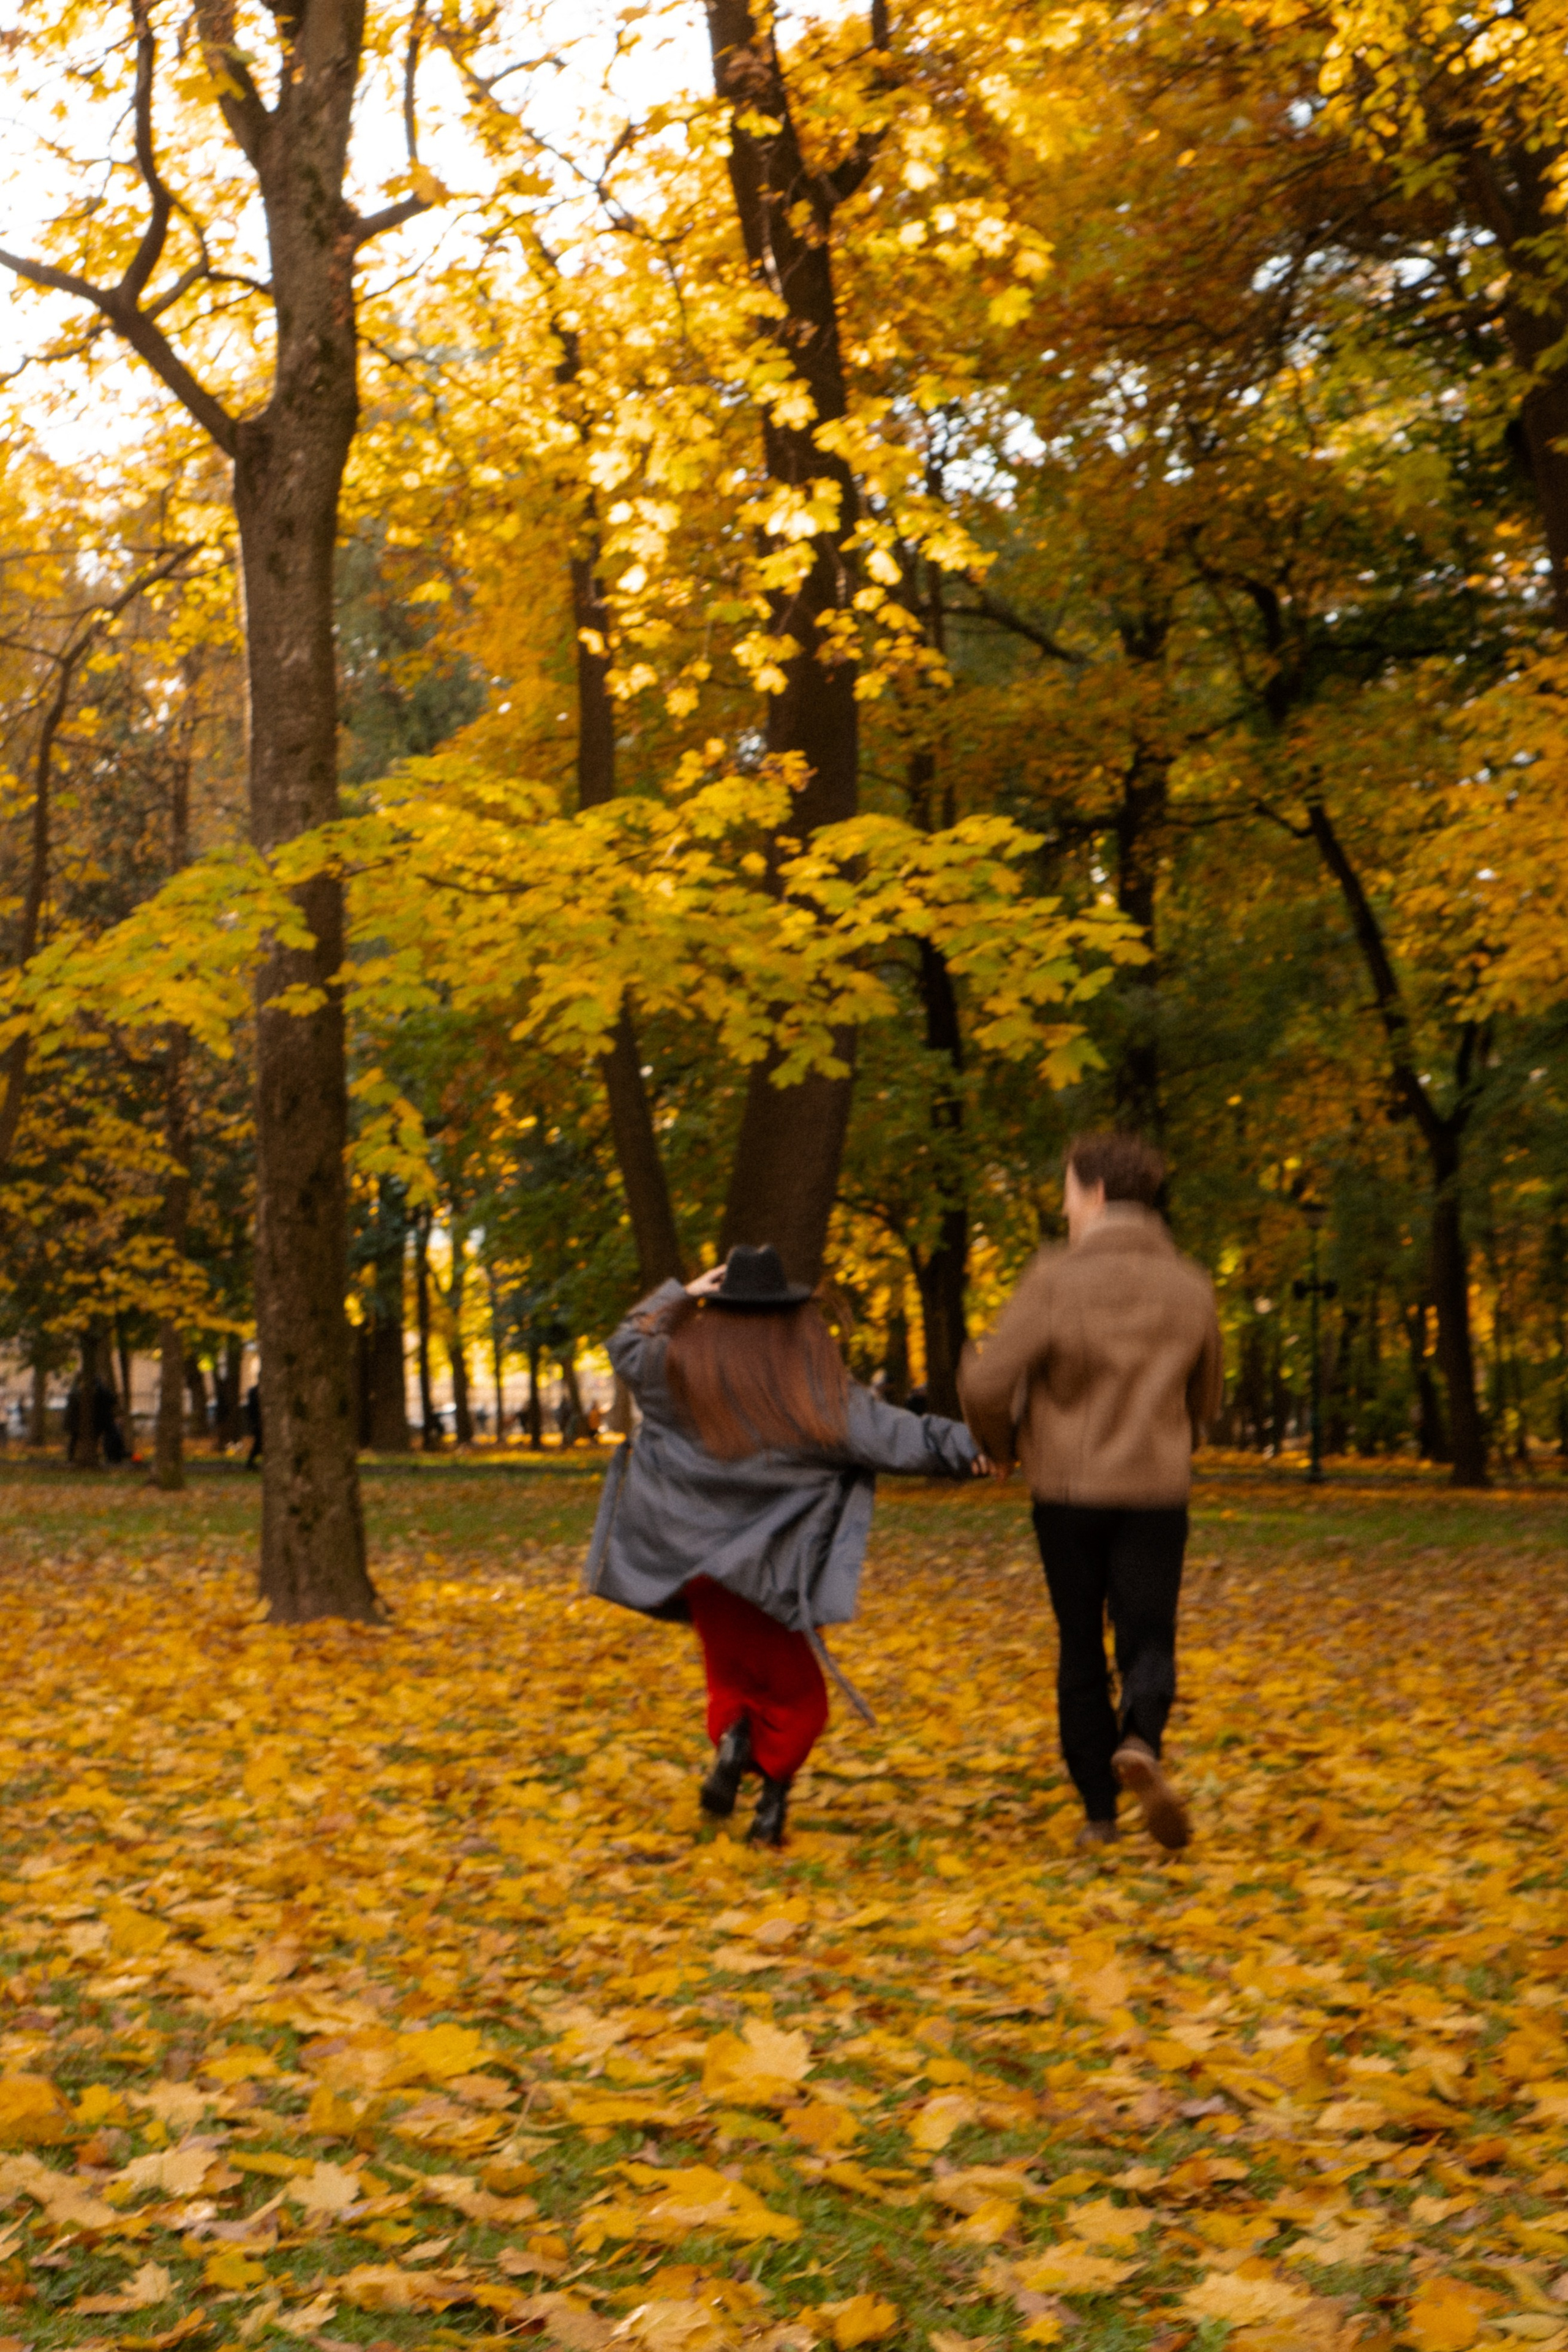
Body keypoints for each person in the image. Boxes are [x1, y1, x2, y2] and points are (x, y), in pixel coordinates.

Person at [585, 1243, 984, 1846]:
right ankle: (770, 1805)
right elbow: (907, 1437)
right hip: (774, 1573)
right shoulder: (815, 1393)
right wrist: (979, 1450)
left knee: (731, 1682)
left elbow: (626, 1341)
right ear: (792, 1316)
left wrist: (683, 1293)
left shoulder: (674, 1371)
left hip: (698, 1572)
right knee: (802, 1702)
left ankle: (735, 1748)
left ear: (717, 1311)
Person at [959, 1133, 1223, 1853]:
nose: (1066, 1207)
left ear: (1097, 1194)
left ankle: (1098, 1814)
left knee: (1080, 1644)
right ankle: (1139, 1737)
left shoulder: (1055, 1277)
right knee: (1148, 1634)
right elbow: (1207, 1397)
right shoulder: (1192, 1284)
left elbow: (986, 1383)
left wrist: (1001, 1447)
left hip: (1069, 1495)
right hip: (1157, 1493)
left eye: (1069, 1192)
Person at [244, 1382, 263, 1469]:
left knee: (259, 1443)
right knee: (258, 1443)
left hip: (257, 1422)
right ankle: (250, 1463)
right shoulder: (256, 1392)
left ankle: (251, 1462)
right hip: (258, 1422)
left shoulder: (254, 1391)